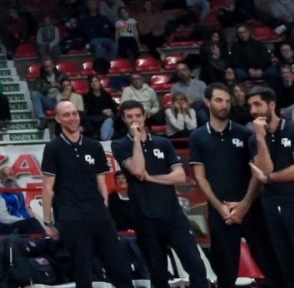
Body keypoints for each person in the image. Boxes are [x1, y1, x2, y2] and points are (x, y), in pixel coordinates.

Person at [192, 82, 281, 288]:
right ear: (207, 102)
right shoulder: (198, 137)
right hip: (221, 212)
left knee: (270, 265)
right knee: (225, 273)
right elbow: (200, 178)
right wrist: (220, 207)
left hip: (251, 209)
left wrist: (244, 204)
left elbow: (257, 173)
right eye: (219, 100)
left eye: (227, 101)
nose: (224, 105)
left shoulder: (244, 133)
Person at [111, 99, 208, 288]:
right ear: (123, 119)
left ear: (145, 115)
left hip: (173, 214)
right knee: (158, 271)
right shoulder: (120, 145)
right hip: (144, 217)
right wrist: (137, 140)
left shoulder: (163, 143)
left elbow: (180, 177)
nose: (135, 121)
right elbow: (138, 170)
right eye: (129, 117)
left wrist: (152, 178)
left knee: (195, 264)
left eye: (138, 116)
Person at [40, 101, 136, 288]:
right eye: (66, 115)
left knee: (118, 265)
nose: (72, 118)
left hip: (99, 214)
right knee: (82, 269)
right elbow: (47, 188)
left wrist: (104, 210)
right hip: (71, 215)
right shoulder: (53, 148)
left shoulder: (94, 146)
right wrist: (48, 222)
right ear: (58, 119)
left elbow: (102, 184)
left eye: (74, 113)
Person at [251, 85, 294, 286]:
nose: (253, 111)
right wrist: (261, 139)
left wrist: (271, 179)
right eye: (250, 106)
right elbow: (265, 169)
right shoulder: (253, 138)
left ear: (272, 105)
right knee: (285, 265)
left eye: (257, 105)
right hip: (271, 207)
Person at [0, 168, 44, 236]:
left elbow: (21, 206)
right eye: (4, 175)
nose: (8, 178)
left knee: (35, 222)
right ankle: (46, 240)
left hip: (22, 224)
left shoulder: (17, 190)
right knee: (31, 223)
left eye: (10, 175)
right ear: (0, 177)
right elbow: (3, 218)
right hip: (5, 229)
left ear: (14, 176)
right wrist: (24, 220)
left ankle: (46, 240)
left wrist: (28, 209)